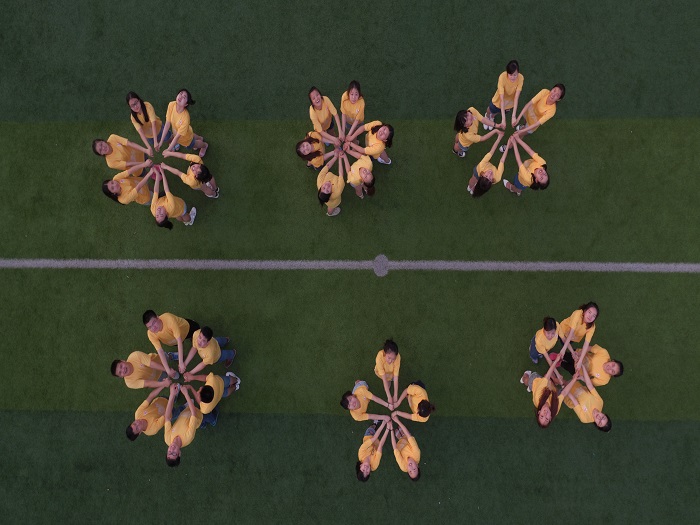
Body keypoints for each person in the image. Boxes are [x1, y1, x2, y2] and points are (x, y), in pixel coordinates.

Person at [142, 310, 199, 377]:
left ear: (158, 317)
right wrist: (167, 370)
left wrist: (181, 362)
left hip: (186, 329)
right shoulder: (150, 334)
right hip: (174, 340)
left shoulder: (169, 319)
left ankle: (192, 333)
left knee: (196, 330)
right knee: (179, 343)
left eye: (154, 323)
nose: (153, 328)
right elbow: (160, 351)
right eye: (149, 327)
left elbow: (179, 340)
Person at [157, 89, 208, 157]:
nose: (181, 96)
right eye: (181, 93)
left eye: (184, 97)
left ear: (186, 104)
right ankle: (200, 138)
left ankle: (204, 145)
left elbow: (177, 137)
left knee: (193, 144)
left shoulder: (185, 118)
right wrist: (161, 141)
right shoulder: (171, 104)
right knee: (191, 134)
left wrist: (168, 150)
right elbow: (167, 123)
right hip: (185, 131)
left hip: (185, 139)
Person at [164, 383, 203, 467]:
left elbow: (167, 418)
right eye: (174, 453)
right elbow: (194, 413)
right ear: (179, 453)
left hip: (186, 411)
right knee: (204, 408)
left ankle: (189, 404)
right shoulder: (188, 437)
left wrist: (172, 395)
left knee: (189, 406)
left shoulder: (167, 439)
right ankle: (212, 419)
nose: (172, 449)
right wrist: (186, 394)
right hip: (197, 414)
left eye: (169, 452)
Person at [563, 367, 612, 431]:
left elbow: (574, 401)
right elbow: (590, 385)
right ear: (604, 414)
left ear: (597, 425)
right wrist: (582, 366)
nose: (599, 417)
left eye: (599, 422)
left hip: (567, 395)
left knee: (556, 385)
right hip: (576, 384)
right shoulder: (600, 402)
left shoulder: (585, 419)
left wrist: (564, 387)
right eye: (603, 417)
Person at [556, 302, 599, 371]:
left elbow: (586, 344)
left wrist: (580, 361)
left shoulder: (592, 327)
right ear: (585, 311)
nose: (590, 317)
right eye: (589, 312)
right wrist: (564, 349)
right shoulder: (577, 313)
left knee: (564, 343)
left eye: (594, 316)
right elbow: (571, 332)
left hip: (573, 338)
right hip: (563, 330)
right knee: (554, 338)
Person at [520, 359, 563, 428]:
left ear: (539, 412)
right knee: (550, 381)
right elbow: (562, 393)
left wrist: (555, 362)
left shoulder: (538, 398)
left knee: (526, 381)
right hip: (544, 386)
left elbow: (547, 377)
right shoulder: (555, 409)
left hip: (534, 381)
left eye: (542, 416)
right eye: (546, 419)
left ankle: (526, 375)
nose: (545, 414)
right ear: (550, 418)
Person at [484, 60, 524, 130]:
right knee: (490, 109)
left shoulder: (521, 78)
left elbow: (516, 97)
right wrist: (503, 119)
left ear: (518, 72)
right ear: (507, 73)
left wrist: (513, 116)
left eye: (515, 75)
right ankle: (487, 117)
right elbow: (501, 99)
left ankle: (492, 117)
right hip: (499, 100)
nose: (513, 77)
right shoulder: (502, 77)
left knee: (498, 112)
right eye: (510, 75)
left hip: (509, 103)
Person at [467, 130, 505, 197]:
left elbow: (492, 152)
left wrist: (499, 138)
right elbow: (492, 151)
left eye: (487, 176)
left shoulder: (493, 179)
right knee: (473, 180)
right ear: (482, 175)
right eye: (488, 177)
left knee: (482, 183)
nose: (489, 174)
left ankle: (474, 187)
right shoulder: (481, 166)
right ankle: (470, 186)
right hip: (478, 170)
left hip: (483, 170)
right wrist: (498, 138)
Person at [390, 414, 420, 480]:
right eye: (414, 469)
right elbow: (409, 436)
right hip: (406, 438)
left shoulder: (403, 467)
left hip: (400, 444)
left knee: (396, 431)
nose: (411, 468)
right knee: (400, 427)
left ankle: (400, 436)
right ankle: (402, 433)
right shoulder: (417, 454)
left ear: (407, 471)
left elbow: (395, 448)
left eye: (410, 471)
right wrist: (397, 421)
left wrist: (391, 428)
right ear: (417, 465)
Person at [316, 152, 345, 217]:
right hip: (333, 203)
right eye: (328, 190)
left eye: (324, 188)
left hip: (326, 198)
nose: (327, 186)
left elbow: (327, 166)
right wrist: (340, 158)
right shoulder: (337, 191)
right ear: (331, 193)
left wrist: (335, 157)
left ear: (320, 188)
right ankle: (330, 213)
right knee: (331, 206)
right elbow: (341, 174)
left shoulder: (319, 181)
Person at [374, 339, 401, 407]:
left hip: (391, 373)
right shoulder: (379, 357)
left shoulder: (398, 357)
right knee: (386, 382)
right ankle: (389, 381)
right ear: (384, 353)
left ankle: (389, 380)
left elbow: (396, 378)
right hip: (383, 373)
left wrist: (395, 395)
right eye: (389, 358)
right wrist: (389, 396)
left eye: (393, 359)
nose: (390, 361)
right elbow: (384, 379)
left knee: (391, 380)